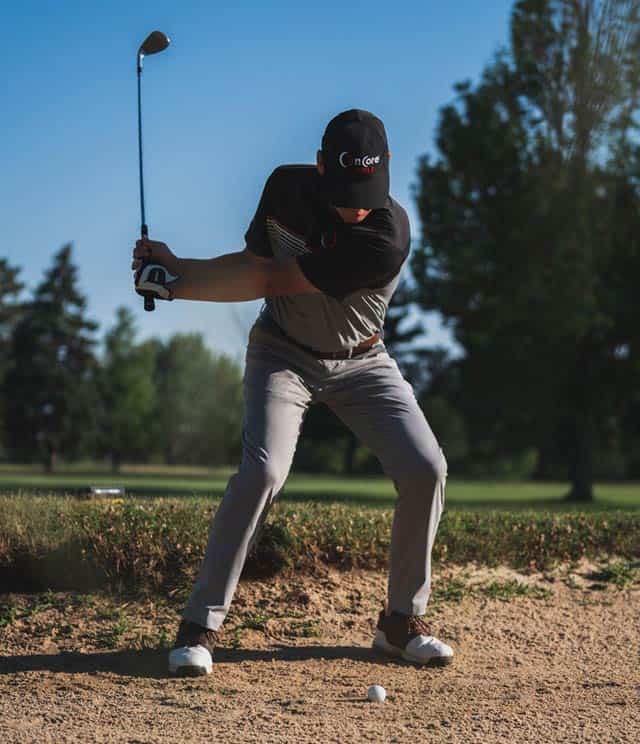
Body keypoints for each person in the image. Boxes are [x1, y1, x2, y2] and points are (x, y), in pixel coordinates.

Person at [132, 109, 453, 677]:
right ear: (320, 165)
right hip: (283, 353)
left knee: (426, 467)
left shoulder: (386, 234)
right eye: (345, 189)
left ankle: (400, 622)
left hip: (363, 362)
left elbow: (269, 281)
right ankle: (199, 627)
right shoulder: (285, 187)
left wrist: (177, 284)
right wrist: (174, 266)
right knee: (262, 473)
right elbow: (255, 264)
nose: (356, 205)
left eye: (368, 191)